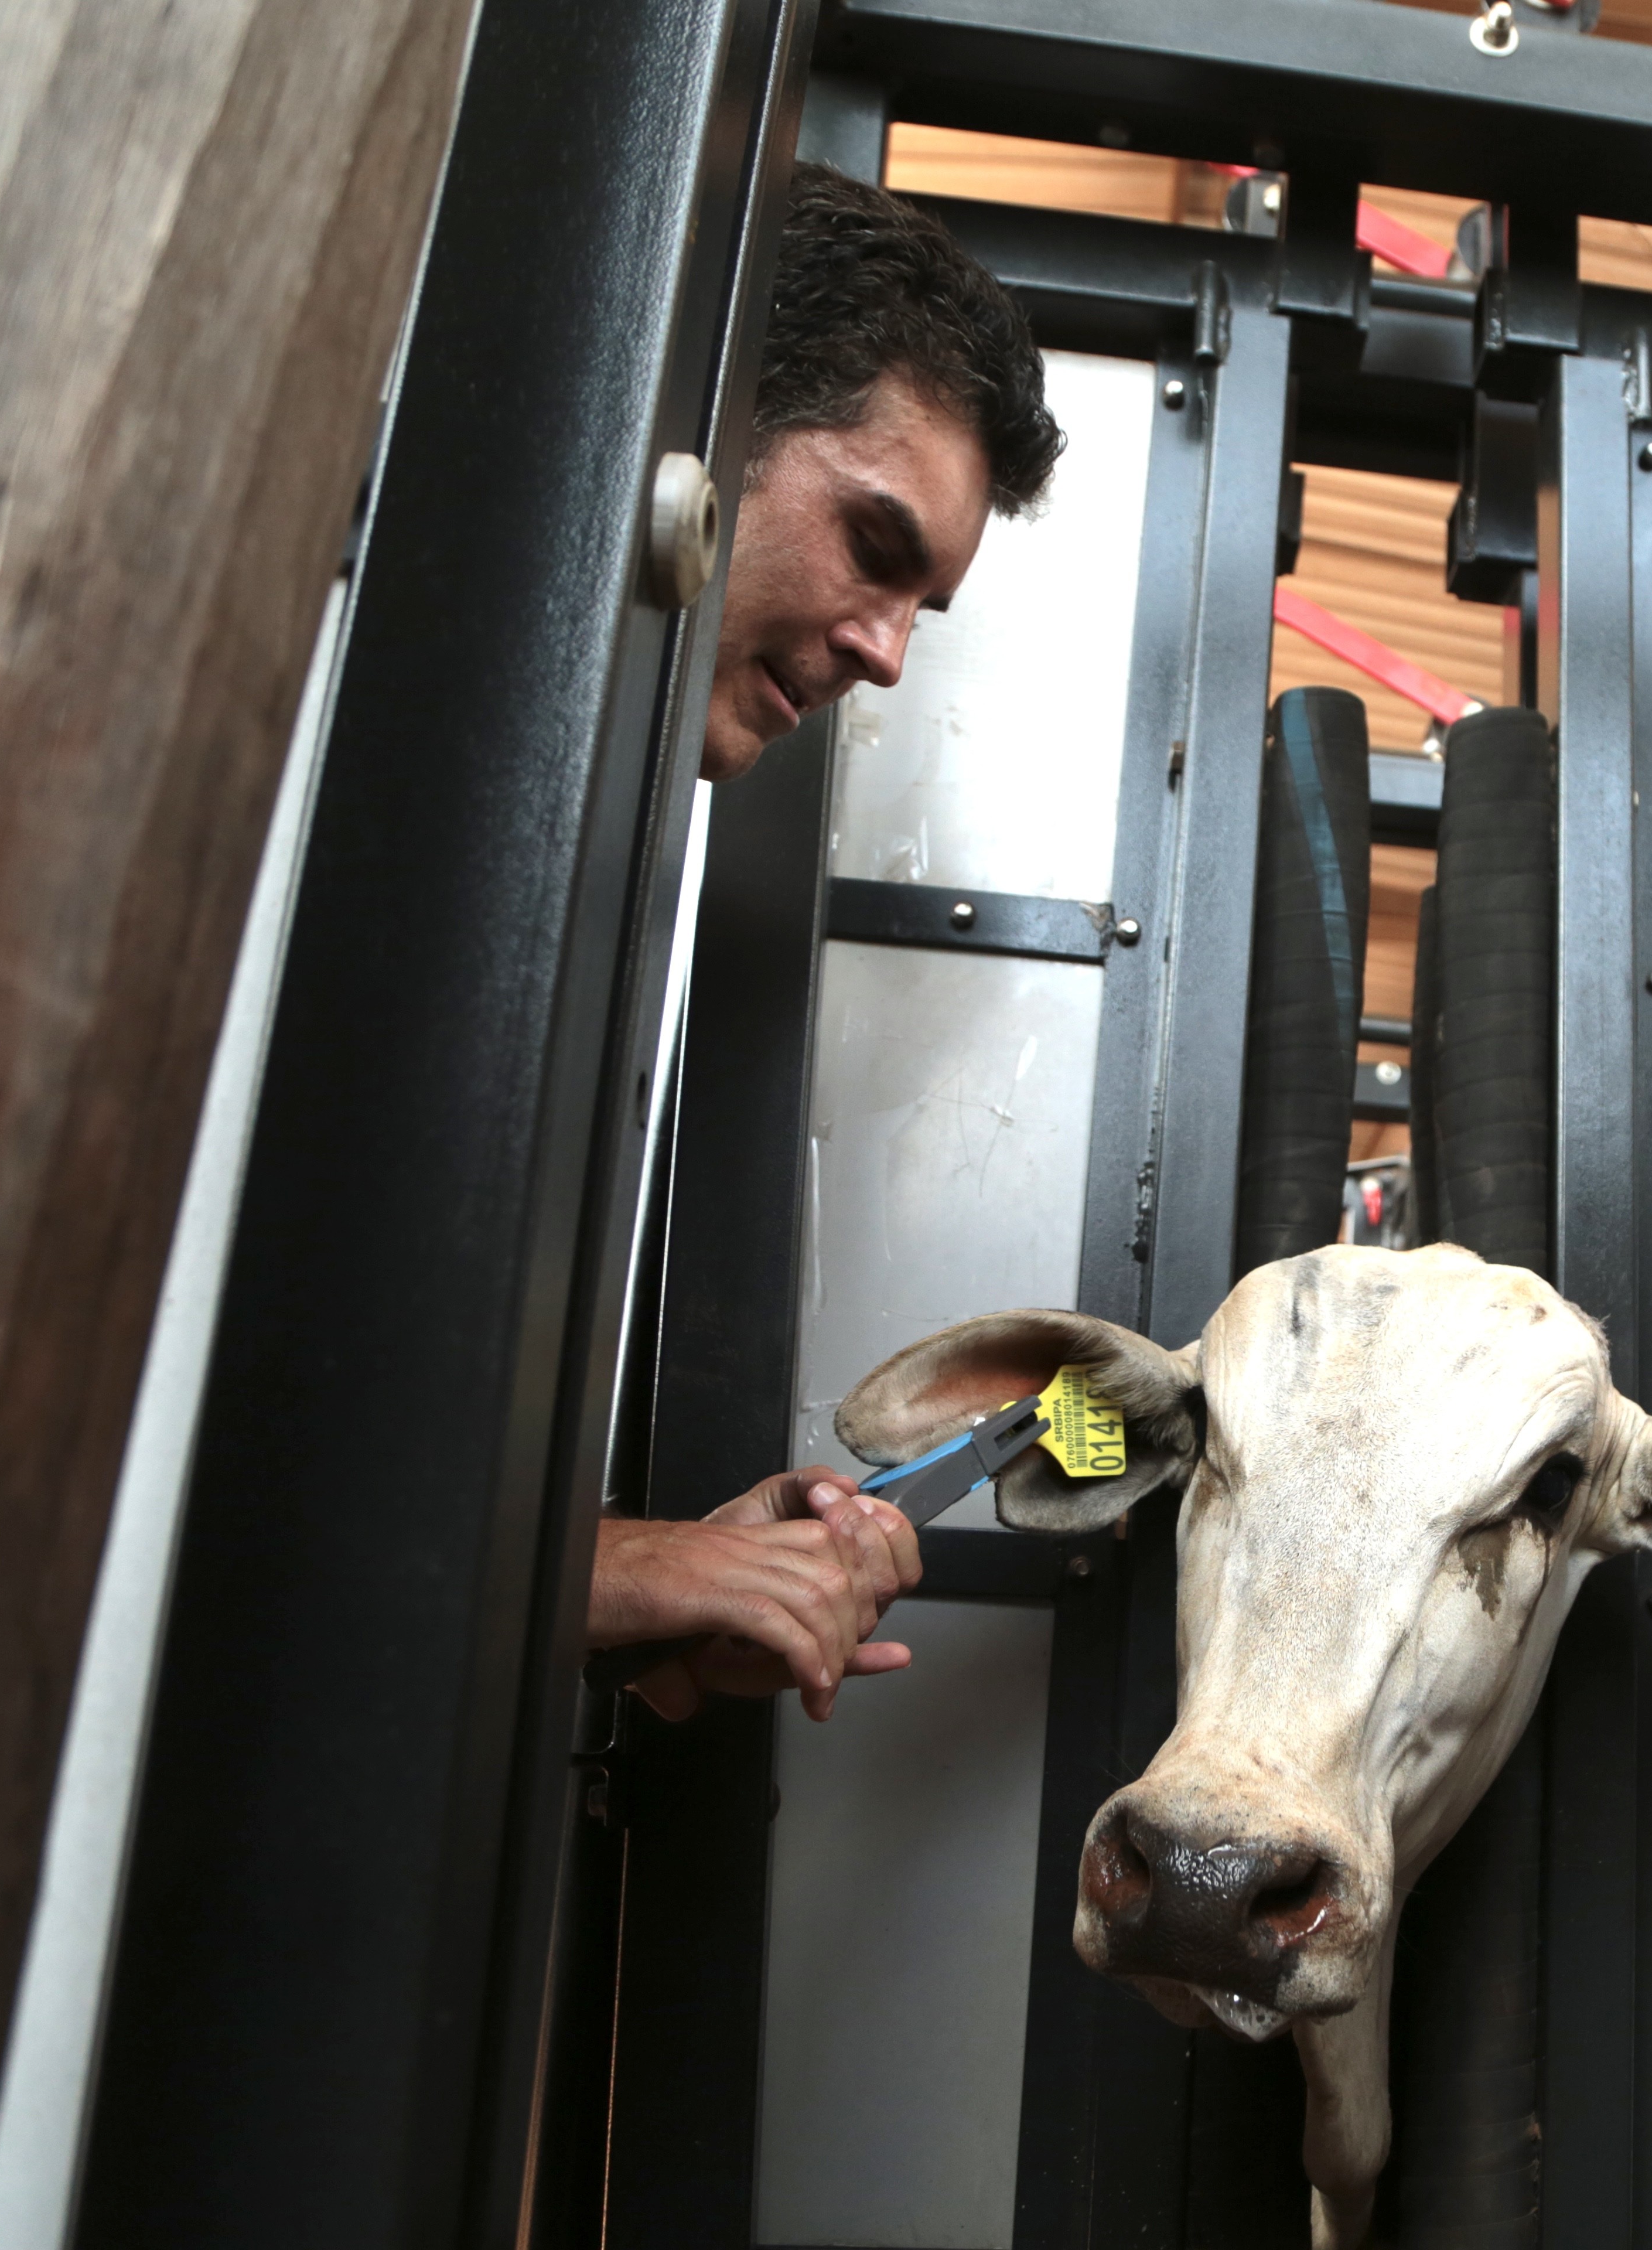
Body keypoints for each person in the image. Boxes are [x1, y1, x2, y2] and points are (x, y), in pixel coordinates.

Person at [583, 162, 1064, 1721]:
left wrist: (652, 1606)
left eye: (922, 602)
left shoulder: (612, 872)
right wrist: (629, 1574)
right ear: (694, 414)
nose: (887, 654)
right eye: (874, 543)